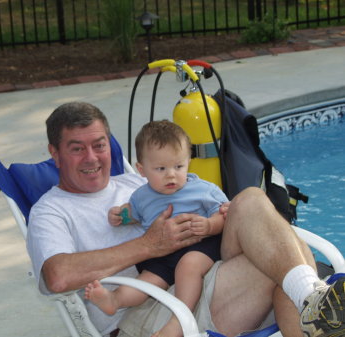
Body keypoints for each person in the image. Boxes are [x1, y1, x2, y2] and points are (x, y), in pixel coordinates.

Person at [26, 101, 345, 337]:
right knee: (287, 258)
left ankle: (311, 298)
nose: (92, 158)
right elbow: (58, 277)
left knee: (250, 200)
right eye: (77, 149)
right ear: (54, 153)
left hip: (202, 268)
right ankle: (311, 297)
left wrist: (220, 218)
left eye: (99, 145)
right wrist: (148, 245)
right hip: (149, 308)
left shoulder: (138, 181)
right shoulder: (51, 210)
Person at [84, 120, 227, 337]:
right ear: (141, 170)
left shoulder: (203, 190)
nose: (171, 175)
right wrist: (120, 215)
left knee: (188, 267)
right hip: (163, 253)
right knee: (147, 280)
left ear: (188, 161)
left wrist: (209, 225)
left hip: (199, 246)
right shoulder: (142, 196)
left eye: (178, 166)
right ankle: (115, 300)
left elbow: (225, 215)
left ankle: (179, 321)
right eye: (161, 169)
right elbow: (133, 213)